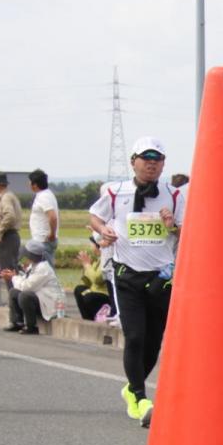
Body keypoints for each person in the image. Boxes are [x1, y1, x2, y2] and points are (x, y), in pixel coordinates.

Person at [89, 136, 183, 428]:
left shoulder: (175, 195)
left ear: (163, 164)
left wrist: (173, 226)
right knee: (135, 337)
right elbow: (94, 216)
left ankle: (131, 388)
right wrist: (104, 229)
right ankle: (140, 398)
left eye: (157, 159)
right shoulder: (116, 192)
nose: (151, 163)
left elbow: (187, 232)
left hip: (161, 278)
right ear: (133, 162)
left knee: (154, 343)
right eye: (145, 158)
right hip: (126, 275)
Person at [4, 239, 64, 334]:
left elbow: (26, 287)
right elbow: (25, 280)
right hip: (41, 299)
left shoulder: (43, 269)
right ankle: (17, 322)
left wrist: (13, 277)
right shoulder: (34, 266)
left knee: (25, 295)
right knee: (13, 292)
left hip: (50, 305)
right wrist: (15, 276)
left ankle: (31, 326)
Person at [0, 170, 22, 274]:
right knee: (10, 269)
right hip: (8, 237)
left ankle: (13, 290)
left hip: (7, 238)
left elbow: (10, 216)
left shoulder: (5, 197)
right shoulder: (7, 196)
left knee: (8, 272)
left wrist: (0, 232)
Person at [73, 238, 114, 321]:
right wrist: (87, 265)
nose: (91, 247)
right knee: (79, 289)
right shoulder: (98, 259)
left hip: (105, 294)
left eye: (92, 244)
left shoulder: (106, 259)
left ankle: (99, 318)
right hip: (95, 291)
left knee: (90, 297)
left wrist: (87, 265)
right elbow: (88, 282)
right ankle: (88, 320)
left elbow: (97, 279)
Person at [28, 168, 59, 264]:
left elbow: (52, 217)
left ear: (35, 185)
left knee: (46, 271)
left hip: (43, 240)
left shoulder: (44, 197)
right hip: (41, 240)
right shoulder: (44, 195)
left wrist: (52, 234)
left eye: (30, 182)